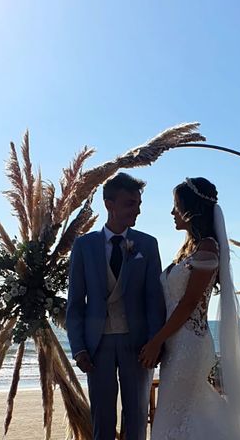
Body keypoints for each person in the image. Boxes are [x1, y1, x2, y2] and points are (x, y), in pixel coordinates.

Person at [139, 177, 240, 440]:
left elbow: (189, 303)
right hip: (178, 343)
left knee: (177, 414)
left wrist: (157, 341)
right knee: (186, 412)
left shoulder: (208, 247)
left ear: (191, 208)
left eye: (176, 205)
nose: (172, 212)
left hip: (189, 344)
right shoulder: (191, 248)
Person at [66, 172, 166, 440]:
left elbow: (154, 300)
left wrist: (154, 343)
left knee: (136, 418)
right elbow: (75, 303)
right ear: (109, 204)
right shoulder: (84, 246)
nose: (138, 210)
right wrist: (78, 348)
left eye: (139, 204)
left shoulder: (148, 244)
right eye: (131, 203)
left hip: (138, 345)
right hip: (97, 346)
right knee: (102, 419)